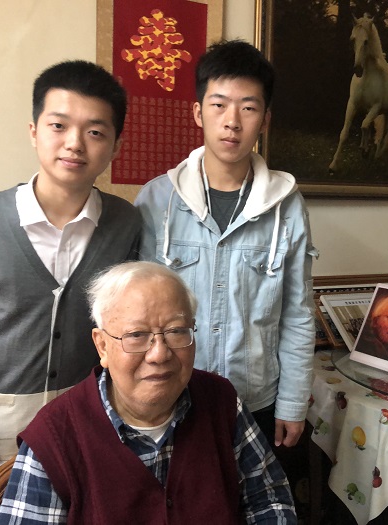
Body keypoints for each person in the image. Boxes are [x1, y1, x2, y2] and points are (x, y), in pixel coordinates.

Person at [0, 60, 140, 512]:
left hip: (85, 432)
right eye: (58, 126)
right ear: (34, 131)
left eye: (95, 132)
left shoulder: (125, 223)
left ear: (116, 145)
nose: (74, 143)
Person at [0, 261, 296, 524]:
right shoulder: (55, 436)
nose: (159, 354)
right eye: (136, 335)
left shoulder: (221, 402)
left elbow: (269, 500)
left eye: (176, 331)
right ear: (102, 346)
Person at [134, 39, 318, 449]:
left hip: (255, 400)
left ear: (265, 119)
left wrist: (293, 403)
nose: (232, 121)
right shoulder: (158, 200)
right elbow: (135, 312)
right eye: (219, 105)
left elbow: (298, 313)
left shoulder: (286, 206)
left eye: (248, 108)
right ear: (198, 112)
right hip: (171, 397)